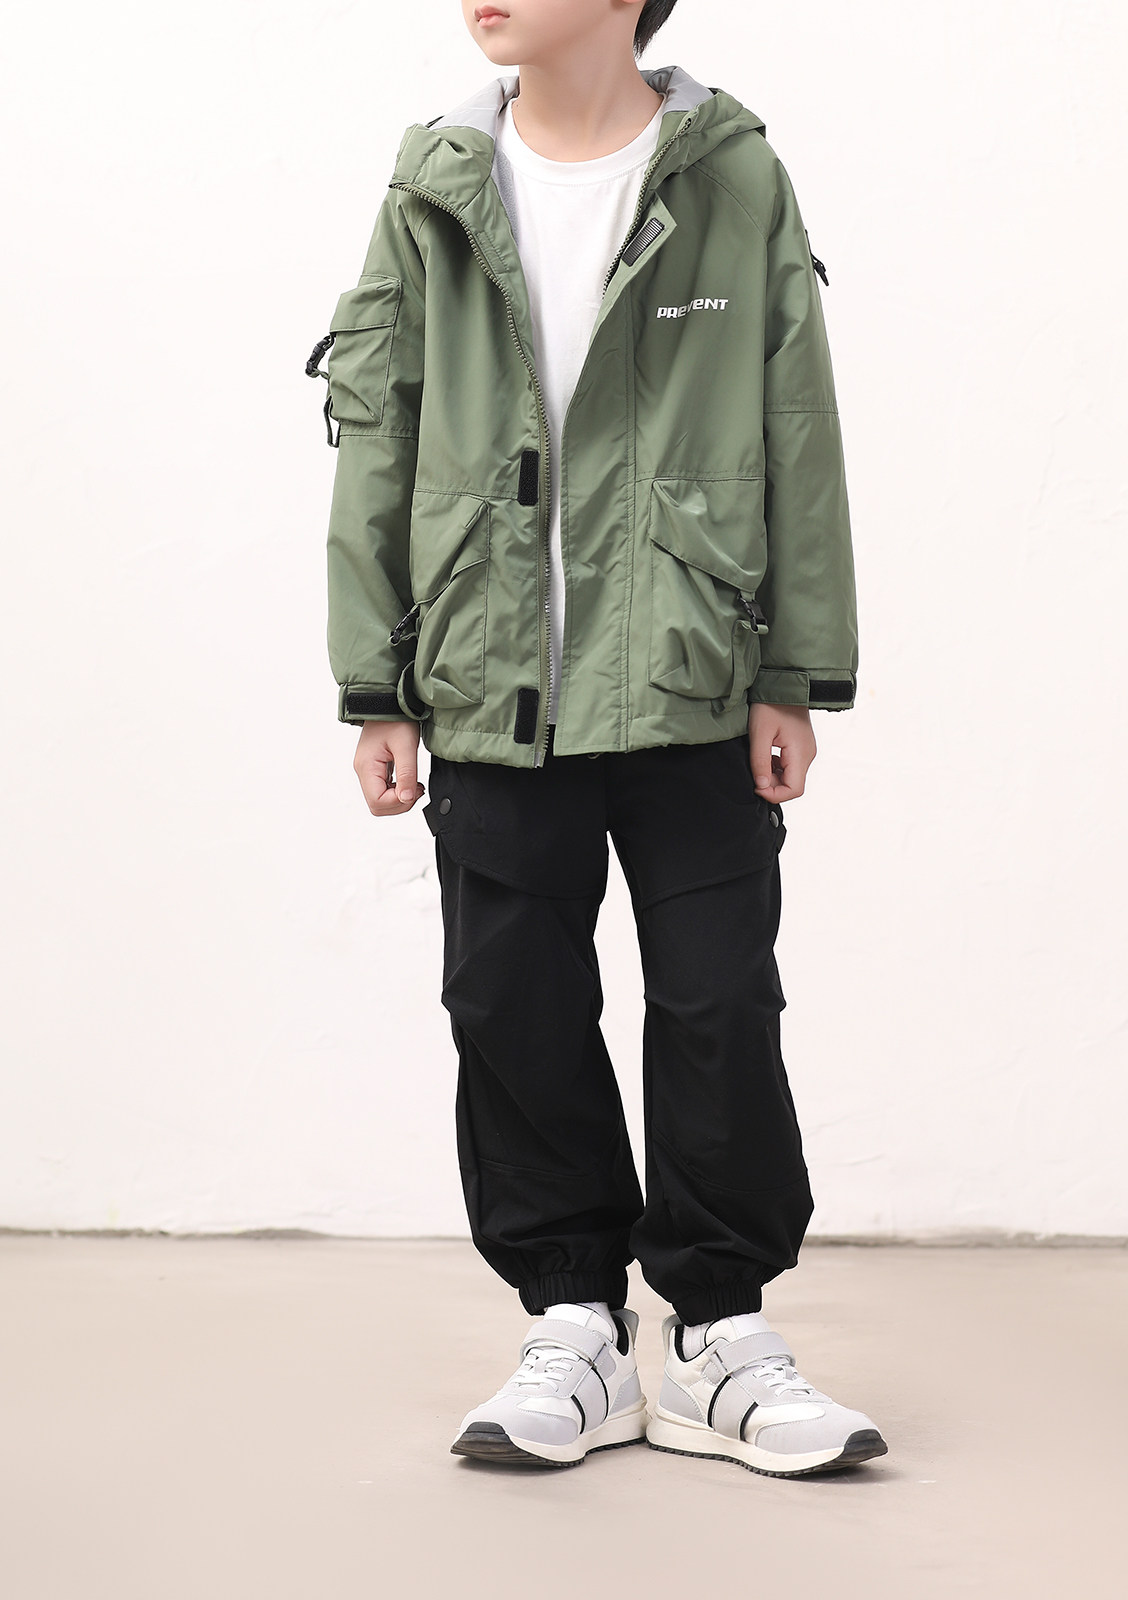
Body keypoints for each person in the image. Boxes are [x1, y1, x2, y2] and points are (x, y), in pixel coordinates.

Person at [310, 0, 886, 1478]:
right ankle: (573, 1320)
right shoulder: (435, 185)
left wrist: (795, 669)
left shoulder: (730, 173)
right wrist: (377, 684)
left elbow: (798, 420)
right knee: (509, 999)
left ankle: (717, 1332)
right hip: (486, 675)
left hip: (693, 670)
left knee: (717, 1001)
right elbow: (379, 430)